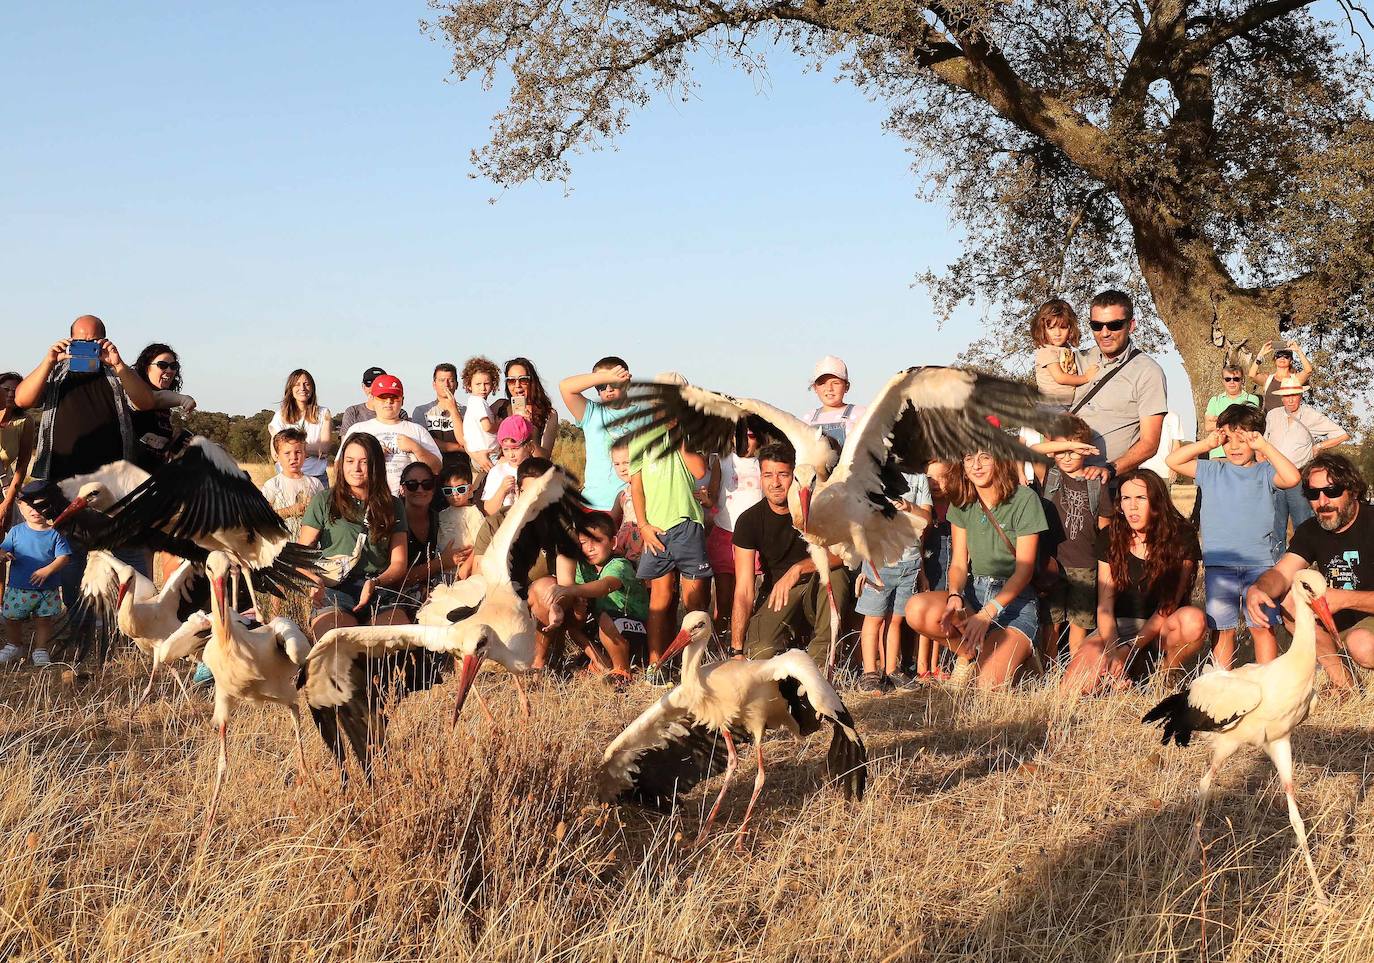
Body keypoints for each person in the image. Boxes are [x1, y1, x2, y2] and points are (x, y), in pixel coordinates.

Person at [1167, 403, 1300, 668]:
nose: (1235, 446)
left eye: (1244, 439)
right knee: (1222, 628)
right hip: (1220, 564)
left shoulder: (1265, 472)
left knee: (1261, 627)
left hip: (1260, 565)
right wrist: (1206, 444)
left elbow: (1293, 477)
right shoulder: (1212, 470)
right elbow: (1173, 461)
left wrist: (1266, 448)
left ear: (1257, 439)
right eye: (1229, 439)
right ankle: (1221, 681)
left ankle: (1267, 682)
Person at [903, 450, 1047, 690]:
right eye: (969, 458)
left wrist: (986, 615)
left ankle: (1021, 659)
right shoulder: (963, 501)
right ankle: (968, 654)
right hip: (974, 593)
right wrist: (955, 595)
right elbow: (959, 562)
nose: (976, 466)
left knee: (985, 686)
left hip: (1014, 601)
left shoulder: (1024, 499)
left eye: (985, 457)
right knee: (916, 609)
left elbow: (1024, 571)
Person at [1061, 470, 1206, 694]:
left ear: (1157, 501)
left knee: (1193, 620)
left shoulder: (1181, 537)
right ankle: (1123, 678)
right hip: (1116, 628)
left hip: (1161, 628)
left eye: (1141, 498)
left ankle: (1165, 673)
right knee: (1072, 689)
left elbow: (1168, 606)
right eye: (1126, 498)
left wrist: (1128, 649)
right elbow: (1105, 607)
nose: (1132, 506)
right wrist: (1112, 651)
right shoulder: (1110, 535)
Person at [1245, 454, 1374, 693]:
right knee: (1290, 600)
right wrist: (1259, 588)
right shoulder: (1310, 530)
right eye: (1313, 494)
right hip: (1335, 620)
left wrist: (1346, 598)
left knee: (1362, 645)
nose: (1322, 501)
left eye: (1332, 491)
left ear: (1353, 490)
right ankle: (1346, 686)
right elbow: (1282, 573)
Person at [731, 443, 850, 666]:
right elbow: (745, 588)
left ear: (795, 476)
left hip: (817, 589)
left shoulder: (818, 506)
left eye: (783, 475)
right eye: (768, 475)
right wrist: (736, 649)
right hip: (779, 594)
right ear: (760, 477)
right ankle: (788, 647)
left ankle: (819, 668)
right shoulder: (749, 521)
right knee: (758, 653)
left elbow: (845, 555)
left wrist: (798, 569)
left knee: (836, 575)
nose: (775, 483)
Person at [630, 374, 713, 685]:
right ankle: (657, 663)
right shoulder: (640, 437)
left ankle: (694, 666)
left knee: (694, 602)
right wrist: (643, 524)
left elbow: (700, 470)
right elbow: (636, 486)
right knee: (660, 600)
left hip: (687, 524)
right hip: (657, 529)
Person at [15, 315, 157, 484]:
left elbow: (146, 403)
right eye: (80, 342)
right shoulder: (56, 369)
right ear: (70, 341)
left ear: (104, 341)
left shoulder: (117, 371)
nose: (86, 347)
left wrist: (118, 364)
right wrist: (49, 361)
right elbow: (22, 400)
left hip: (110, 478)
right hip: (59, 473)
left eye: (93, 342)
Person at [470, 457, 580, 673]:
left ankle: (536, 666)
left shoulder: (563, 527)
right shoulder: (496, 523)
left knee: (548, 588)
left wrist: (558, 603)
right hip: (500, 604)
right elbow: (478, 578)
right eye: (530, 493)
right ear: (519, 492)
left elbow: (566, 583)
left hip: (538, 602)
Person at [297, 433, 412, 638]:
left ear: (376, 465)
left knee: (390, 642)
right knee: (339, 641)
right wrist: (314, 580)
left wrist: (376, 583)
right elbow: (299, 555)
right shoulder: (324, 500)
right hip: (335, 589)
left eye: (364, 462)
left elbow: (399, 563)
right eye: (350, 461)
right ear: (341, 464)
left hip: (379, 589)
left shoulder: (393, 505)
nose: (356, 469)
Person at [1029, 417, 1112, 663]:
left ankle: (1074, 672)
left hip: (1085, 564)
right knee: (1050, 624)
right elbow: (1033, 451)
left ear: (1086, 451)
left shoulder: (1097, 482)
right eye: (1061, 450)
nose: (1066, 457)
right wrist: (1068, 446)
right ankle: (1048, 669)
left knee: (1079, 623)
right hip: (1053, 563)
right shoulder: (1049, 476)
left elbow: (1105, 529)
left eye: (1074, 451)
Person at [1070, 290, 1168, 481]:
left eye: (1114, 325)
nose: (1105, 333)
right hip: (1064, 479)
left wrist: (1110, 469)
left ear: (1131, 325)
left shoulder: (1148, 372)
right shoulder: (1076, 360)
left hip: (1108, 483)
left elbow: (1149, 443)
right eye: (1096, 326)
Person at [551, 512, 649, 689]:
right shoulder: (585, 569)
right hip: (604, 629)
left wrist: (570, 588)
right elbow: (581, 607)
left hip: (633, 628)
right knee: (573, 626)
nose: (590, 548)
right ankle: (602, 663)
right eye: (583, 543)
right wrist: (579, 609)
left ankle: (622, 671)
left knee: (606, 618)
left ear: (613, 542)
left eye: (596, 541)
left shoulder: (620, 565)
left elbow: (606, 586)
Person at [854, 471, 933, 692]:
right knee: (874, 618)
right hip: (879, 560)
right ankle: (870, 672)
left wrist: (909, 507)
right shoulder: (875, 472)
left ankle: (891, 669)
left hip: (909, 562)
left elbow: (927, 519)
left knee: (896, 620)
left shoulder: (920, 479)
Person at [1264, 377, 1349, 559]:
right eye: (1286, 396)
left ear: (1301, 395)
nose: (1290, 399)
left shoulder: (1311, 415)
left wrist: (1320, 446)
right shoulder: (1272, 415)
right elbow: (1264, 441)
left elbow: (1342, 434)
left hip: (1299, 476)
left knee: (1303, 524)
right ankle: (1275, 567)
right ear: (1281, 397)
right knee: (1274, 525)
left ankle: (1305, 562)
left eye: (1294, 395)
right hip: (1274, 476)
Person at [0, 493, 72, 667]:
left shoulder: (55, 533)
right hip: (18, 588)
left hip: (47, 590)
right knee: (11, 618)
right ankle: (14, 645)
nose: (35, 511)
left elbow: (64, 557)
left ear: (50, 508)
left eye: (41, 506)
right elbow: (3, 549)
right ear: (20, 507)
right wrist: (2, 555)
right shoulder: (16, 531)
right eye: (30, 506)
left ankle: (40, 650)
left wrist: (48, 570)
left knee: (43, 621)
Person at [339, 375, 442, 495]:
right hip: (369, 498)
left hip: (408, 501)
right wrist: (373, 454)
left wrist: (416, 448)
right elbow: (339, 466)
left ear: (402, 400)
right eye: (382, 397)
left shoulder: (417, 430)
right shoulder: (358, 429)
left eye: (394, 397)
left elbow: (437, 468)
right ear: (372, 398)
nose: (388, 402)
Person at [704, 419, 763, 623]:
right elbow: (712, 494)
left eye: (751, 436)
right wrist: (705, 498)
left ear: (760, 439)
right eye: (739, 435)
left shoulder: (764, 465)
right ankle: (721, 638)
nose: (744, 441)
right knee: (723, 595)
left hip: (752, 538)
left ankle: (742, 636)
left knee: (746, 592)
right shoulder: (723, 460)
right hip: (724, 533)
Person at [559, 357, 637, 512]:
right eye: (601, 386)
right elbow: (565, 387)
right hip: (593, 505)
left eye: (614, 383)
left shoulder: (645, 415)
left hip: (633, 504)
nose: (608, 389)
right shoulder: (592, 413)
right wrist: (607, 377)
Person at [129, 343, 197, 473]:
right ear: (146, 367)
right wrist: (183, 398)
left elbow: (161, 451)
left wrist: (178, 446)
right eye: (162, 365)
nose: (170, 371)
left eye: (173, 366)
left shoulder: (166, 409)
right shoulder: (133, 396)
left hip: (155, 478)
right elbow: (154, 398)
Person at [395, 461, 445, 616]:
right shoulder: (393, 522)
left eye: (427, 484)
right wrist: (441, 562)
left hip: (438, 591)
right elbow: (396, 580)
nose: (420, 489)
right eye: (412, 485)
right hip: (398, 597)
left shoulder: (442, 520)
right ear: (402, 489)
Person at [1030, 299, 1097, 410]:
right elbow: (1060, 377)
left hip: (1065, 405)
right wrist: (1085, 378)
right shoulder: (1046, 351)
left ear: (1070, 328)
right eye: (1051, 328)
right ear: (1042, 329)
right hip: (1050, 405)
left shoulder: (1065, 349)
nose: (1057, 333)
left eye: (1063, 327)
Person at [268, 369, 332, 485]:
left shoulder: (324, 413)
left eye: (306, 384)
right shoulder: (280, 416)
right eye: (297, 384)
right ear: (290, 389)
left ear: (312, 388)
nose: (302, 388)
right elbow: (276, 454)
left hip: (317, 477)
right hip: (287, 478)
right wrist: (311, 450)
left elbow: (325, 448)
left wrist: (292, 450)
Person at [260, 428, 325, 540]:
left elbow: (324, 513)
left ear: (305, 454)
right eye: (287, 453)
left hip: (310, 544)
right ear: (277, 456)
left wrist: (314, 507)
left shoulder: (315, 483)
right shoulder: (272, 485)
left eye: (298, 452)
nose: (293, 457)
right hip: (282, 545)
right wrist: (289, 511)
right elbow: (261, 517)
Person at [411, 364, 466, 471]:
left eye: (450, 380)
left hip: (461, 469)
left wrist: (454, 410)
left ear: (457, 384)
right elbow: (425, 442)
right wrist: (458, 447)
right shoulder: (421, 411)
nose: (446, 384)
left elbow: (467, 441)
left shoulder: (466, 411)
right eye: (442, 380)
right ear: (434, 384)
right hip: (433, 469)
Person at [803, 356, 866, 448]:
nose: (829, 388)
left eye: (836, 383)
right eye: (822, 383)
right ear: (815, 388)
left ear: (847, 387)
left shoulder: (861, 414)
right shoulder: (808, 419)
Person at [436, 455, 482, 579]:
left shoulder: (473, 513)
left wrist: (467, 567)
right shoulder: (441, 514)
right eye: (449, 491)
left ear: (470, 489)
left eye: (461, 489)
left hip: (465, 570)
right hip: (442, 571)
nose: (455, 494)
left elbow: (480, 544)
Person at [504, 358, 560, 458]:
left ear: (532, 381)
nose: (517, 385)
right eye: (511, 381)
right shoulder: (500, 407)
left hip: (531, 470)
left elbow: (544, 458)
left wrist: (529, 429)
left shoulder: (548, 414)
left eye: (523, 380)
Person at [0, 372, 35, 527]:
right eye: (6, 390)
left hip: (4, 486)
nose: (10, 395)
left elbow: (22, 466)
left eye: (15, 391)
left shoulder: (25, 422)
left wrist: (7, 502)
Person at [1203, 365, 1259, 459]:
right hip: (1218, 454)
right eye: (1228, 379)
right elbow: (1208, 426)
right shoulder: (1215, 400)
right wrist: (1236, 421)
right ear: (1223, 381)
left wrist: (1219, 420)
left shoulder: (1252, 399)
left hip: (1244, 454)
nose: (1232, 382)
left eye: (1236, 379)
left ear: (1242, 380)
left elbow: (1248, 424)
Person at [482, 416, 535, 514]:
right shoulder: (497, 472)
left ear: (530, 446)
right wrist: (502, 490)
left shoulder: (537, 471)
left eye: (515, 448)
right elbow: (488, 511)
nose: (511, 455)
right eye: (506, 449)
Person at [1249, 338, 1316, 415]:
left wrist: (1298, 351)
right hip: (1270, 423)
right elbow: (1252, 375)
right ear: (1275, 359)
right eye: (1279, 356)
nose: (1282, 358)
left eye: (1286, 356)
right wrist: (1261, 354)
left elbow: (1308, 371)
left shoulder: (1295, 379)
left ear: (1291, 361)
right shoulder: (1268, 379)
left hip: (1291, 422)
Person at [339, 367, 409, 436]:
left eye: (379, 384)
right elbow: (346, 443)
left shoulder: (399, 413)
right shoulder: (353, 412)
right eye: (369, 383)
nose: (373, 387)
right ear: (363, 386)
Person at [461, 356, 501, 474]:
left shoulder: (473, 403)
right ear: (469, 385)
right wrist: (499, 424)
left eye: (486, 383)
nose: (483, 388)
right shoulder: (478, 402)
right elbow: (487, 427)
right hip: (488, 455)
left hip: (478, 454)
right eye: (478, 384)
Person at [608, 440, 643, 564]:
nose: (622, 469)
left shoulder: (649, 490)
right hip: (625, 544)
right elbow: (610, 520)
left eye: (626, 463)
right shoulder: (622, 495)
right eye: (616, 464)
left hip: (644, 542)